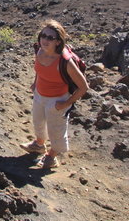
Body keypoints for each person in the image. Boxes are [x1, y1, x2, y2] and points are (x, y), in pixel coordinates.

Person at [20, 20, 88, 169]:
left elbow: (83, 87)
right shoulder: (39, 50)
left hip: (57, 99)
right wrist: (35, 82)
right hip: (40, 94)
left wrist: (65, 103)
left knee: (56, 130)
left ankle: (51, 157)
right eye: (43, 35)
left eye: (50, 38)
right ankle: (39, 145)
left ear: (58, 42)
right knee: (38, 122)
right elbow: (39, 69)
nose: (45, 40)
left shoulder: (65, 62)